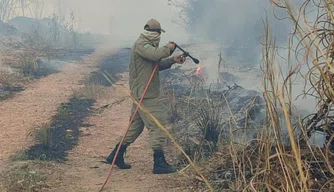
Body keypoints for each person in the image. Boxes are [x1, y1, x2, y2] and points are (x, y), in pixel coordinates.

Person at [103, 18, 186, 174]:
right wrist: (170, 47)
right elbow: (156, 55)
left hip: (141, 94)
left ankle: (116, 155)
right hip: (146, 95)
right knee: (157, 126)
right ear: (155, 33)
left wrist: (172, 60)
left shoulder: (146, 47)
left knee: (135, 126)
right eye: (159, 34)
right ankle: (159, 163)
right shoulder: (142, 45)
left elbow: (155, 65)